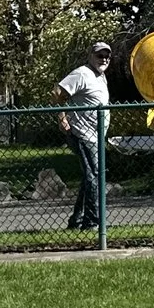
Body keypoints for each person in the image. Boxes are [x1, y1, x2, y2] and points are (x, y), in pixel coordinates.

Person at [54, 42, 113, 232]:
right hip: (82, 133)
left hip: (95, 135)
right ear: (90, 56)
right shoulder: (82, 73)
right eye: (99, 55)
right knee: (94, 176)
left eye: (107, 56)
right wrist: (62, 118)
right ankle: (92, 223)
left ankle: (76, 220)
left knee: (91, 177)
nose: (103, 59)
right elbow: (57, 93)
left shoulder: (100, 76)